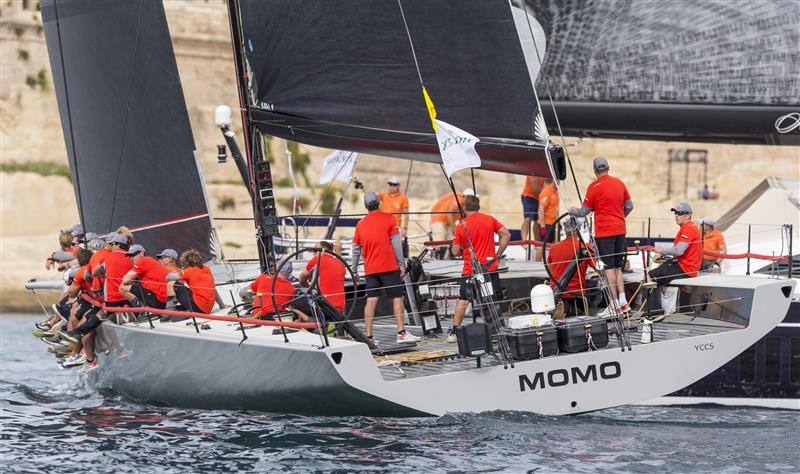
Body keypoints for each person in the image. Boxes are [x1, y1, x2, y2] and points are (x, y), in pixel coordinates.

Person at [60, 232, 134, 373]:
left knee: (85, 321)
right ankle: (81, 353)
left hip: (110, 302)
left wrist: (102, 275)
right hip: (124, 301)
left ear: (113, 244)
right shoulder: (130, 258)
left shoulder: (103, 257)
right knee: (86, 320)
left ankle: (83, 355)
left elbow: (92, 273)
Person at [569, 157, 634, 316]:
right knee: (618, 267)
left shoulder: (594, 186)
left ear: (594, 171)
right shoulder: (619, 183)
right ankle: (623, 302)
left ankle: (613, 305)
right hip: (620, 230)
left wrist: (573, 210)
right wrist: (620, 217)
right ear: (608, 167)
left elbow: (583, 212)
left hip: (605, 232)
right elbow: (630, 206)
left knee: (608, 269)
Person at [352, 191, 419, 344]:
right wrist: (401, 264)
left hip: (371, 269)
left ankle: (369, 337)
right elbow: (396, 244)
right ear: (379, 203)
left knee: (371, 300)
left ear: (365, 206)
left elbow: (355, 249)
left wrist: (354, 270)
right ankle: (401, 333)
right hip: (389, 266)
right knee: (397, 298)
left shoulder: (360, 225)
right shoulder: (389, 218)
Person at [447, 195, 511, 342]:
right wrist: (498, 255)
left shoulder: (461, 226)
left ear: (464, 208)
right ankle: (496, 331)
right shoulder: (489, 219)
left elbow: (455, 251)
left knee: (463, 299)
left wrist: (463, 245)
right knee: (491, 300)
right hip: (489, 269)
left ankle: (454, 332)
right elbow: (506, 234)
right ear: (478, 207)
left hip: (470, 271)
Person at [547, 219, 596, 317]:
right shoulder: (585, 247)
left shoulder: (554, 248)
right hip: (577, 297)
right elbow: (599, 269)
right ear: (578, 230)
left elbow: (550, 267)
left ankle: (561, 310)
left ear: (565, 231)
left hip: (555, 296)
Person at [650, 202, 703, 284]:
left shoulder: (689, 228)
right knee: (660, 268)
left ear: (688, 215)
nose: (676, 215)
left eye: (680, 213)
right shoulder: (688, 227)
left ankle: (643, 296)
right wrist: (662, 254)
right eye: (675, 213)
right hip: (685, 266)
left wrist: (662, 251)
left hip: (686, 269)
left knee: (649, 275)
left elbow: (678, 251)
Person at [118, 244, 170, 309]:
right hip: (166, 300)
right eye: (129, 256)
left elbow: (125, 280)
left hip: (159, 300)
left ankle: (142, 309)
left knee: (122, 287)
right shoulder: (150, 260)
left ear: (142, 253)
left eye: (133, 255)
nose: (131, 258)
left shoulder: (143, 260)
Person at [165, 249, 217, 314]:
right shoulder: (206, 269)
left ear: (186, 263)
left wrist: (179, 270)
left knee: (172, 283)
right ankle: (177, 308)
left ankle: (169, 311)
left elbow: (168, 277)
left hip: (199, 306)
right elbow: (213, 289)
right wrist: (222, 305)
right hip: (207, 308)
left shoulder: (189, 271)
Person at [429, 188, 473, 259]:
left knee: (451, 243)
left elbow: (461, 219)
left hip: (447, 224)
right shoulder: (458, 199)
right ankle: (436, 261)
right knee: (440, 244)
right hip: (439, 222)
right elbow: (449, 215)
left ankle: (446, 260)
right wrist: (456, 230)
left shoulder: (463, 204)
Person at [378, 176, 410, 256]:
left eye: (394, 185)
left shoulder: (403, 198)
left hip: (395, 227)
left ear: (398, 186)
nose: (391, 186)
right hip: (382, 227)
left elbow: (406, 214)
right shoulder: (383, 195)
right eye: (390, 184)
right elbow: (371, 197)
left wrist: (405, 228)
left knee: (396, 250)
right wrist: (362, 187)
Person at [537, 178, 559, 260]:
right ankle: (536, 264)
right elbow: (541, 209)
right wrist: (542, 227)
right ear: (553, 180)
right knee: (541, 245)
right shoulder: (546, 192)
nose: (558, 182)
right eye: (557, 179)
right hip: (546, 224)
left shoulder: (555, 191)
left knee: (552, 246)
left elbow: (556, 209)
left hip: (553, 223)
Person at [520, 175, 545, 248]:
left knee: (537, 221)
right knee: (528, 219)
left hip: (539, 198)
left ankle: (536, 243)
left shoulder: (544, 171)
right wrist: (546, 193)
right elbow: (535, 188)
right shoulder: (532, 171)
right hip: (529, 196)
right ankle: (524, 241)